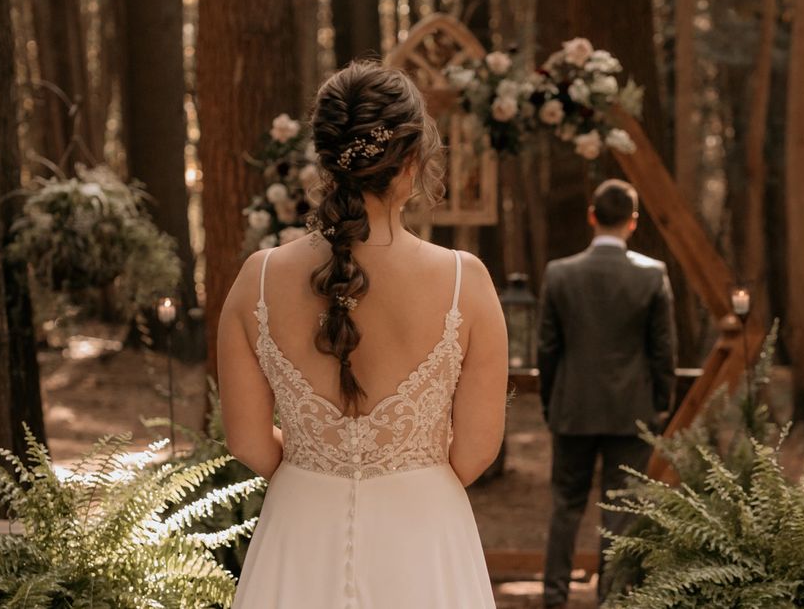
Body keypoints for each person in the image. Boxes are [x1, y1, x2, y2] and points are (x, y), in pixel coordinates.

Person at [217, 61, 507, 608]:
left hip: (299, 529)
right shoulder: (465, 283)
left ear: (326, 160)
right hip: (424, 535)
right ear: (413, 163)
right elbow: (474, 451)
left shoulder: (257, 278)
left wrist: (320, 466)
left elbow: (248, 442)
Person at [537, 179, 677, 607]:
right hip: (630, 410)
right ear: (632, 222)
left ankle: (554, 596)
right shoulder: (652, 276)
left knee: (566, 506)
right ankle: (614, 598)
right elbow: (663, 351)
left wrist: (551, 402)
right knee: (620, 510)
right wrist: (659, 406)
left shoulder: (560, 274)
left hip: (572, 407)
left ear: (592, 216)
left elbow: (547, 349)